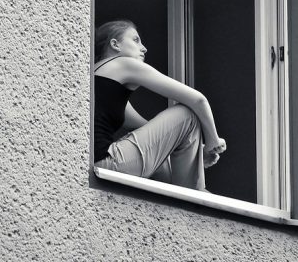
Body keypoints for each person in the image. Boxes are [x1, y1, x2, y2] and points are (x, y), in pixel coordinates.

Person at [93, 19, 226, 191]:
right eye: (135, 40)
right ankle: (194, 201)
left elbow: (156, 135)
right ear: (115, 44)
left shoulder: (99, 79)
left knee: (164, 162)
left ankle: (195, 196)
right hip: (109, 162)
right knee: (187, 115)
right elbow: (198, 100)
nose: (144, 48)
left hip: (101, 165)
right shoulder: (122, 63)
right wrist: (213, 141)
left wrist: (196, 154)